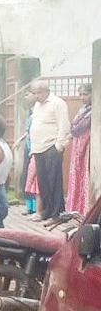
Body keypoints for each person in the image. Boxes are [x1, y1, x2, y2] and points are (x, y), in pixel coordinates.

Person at [29, 80, 71, 221]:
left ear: (46, 91)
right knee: (43, 182)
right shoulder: (36, 105)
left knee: (54, 181)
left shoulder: (57, 103)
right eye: (34, 93)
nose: (36, 96)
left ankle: (56, 212)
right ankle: (46, 211)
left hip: (51, 147)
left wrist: (59, 146)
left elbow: (64, 125)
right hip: (38, 148)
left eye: (38, 93)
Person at [66, 83, 92, 215]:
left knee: (84, 176)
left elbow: (80, 127)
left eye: (86, 94)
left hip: (86, 147)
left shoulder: (93, 111)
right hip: (77, 146)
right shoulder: (83, 110)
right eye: (81, 94)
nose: (83, 97)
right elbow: (73, 126)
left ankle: (84, 207)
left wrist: (73, 131)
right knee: (76, 174)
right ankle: (75, 207)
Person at [12, 89, 38, 216]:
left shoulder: (41, 110)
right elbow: (29, 131)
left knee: (35, 178)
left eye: (28, 94)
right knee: (27, 177)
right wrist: (19, 140)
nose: (26, 97)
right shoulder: (31, 111)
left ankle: (37, 207)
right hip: (28, 148)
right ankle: (30, 206)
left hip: (37, 148)